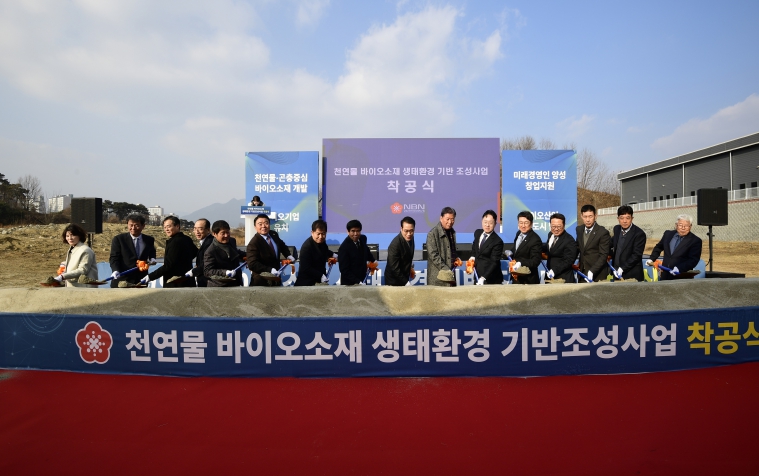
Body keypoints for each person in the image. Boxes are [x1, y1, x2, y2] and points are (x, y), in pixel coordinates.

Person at [142, 216, 197, 288]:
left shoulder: (175, 242)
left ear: (177, 226)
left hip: (175, 283)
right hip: (187, 281)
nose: (166, 229)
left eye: (169, 226)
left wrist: (150, 277)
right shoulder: (187, 238)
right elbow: (195, 253)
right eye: (165, 227)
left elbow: (168, 265)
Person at [647, 214, 702, 280]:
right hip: (665, 275)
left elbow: (693, 260)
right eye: (680, 225)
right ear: (676, 225)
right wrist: (652, 258)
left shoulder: (695, 240)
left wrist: (679, 268)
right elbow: (658, 247)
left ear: (690, 227)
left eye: (686, 226)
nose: (683, 228)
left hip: (682, 276)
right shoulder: (668, 234)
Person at [246, 214, 295, 286]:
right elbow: (252, 264)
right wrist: (270, 270)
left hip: (276, 279)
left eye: (266, 223)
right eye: (260, 224)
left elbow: (282, 245)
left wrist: (288, 255)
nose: (263, 226)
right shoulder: (253, 243)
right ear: (255, 227)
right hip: (261, 282)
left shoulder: (273, 234)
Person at [109, 214, 156, 287]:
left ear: (143, 226)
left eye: (136, 225)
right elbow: (114, 258)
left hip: (140, 280)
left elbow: (152, 251)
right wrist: (115, 270)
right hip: (122, 280)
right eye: (131, 225)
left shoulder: (149, 240)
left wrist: (152, 258)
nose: (133, 228)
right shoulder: (119, 239)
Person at [610, 205, 646, 281]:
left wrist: (622, 268)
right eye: (622, 218)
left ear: (632, 218)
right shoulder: (617, 229)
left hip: (632, 275)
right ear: (618, 219)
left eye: (627, 218)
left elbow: (636, 255)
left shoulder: (639, 234)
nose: (624, 221)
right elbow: (613, 243)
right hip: (616, 272)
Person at [575, 205, 611, 282]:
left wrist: (592, 271)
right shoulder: (579, 229)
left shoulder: (603, 232)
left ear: (595, 216)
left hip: (598, 274)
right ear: (581, 216)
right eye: (585, 216)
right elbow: (578, 247)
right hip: (582, 273)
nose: (587, 220)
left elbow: (603, 255)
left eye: (590, 216)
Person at [204, 220, 244, 287]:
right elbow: (207, 271)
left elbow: (236, 252)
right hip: (219, 286)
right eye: (223, 233)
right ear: (214, 234)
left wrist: (249, 256)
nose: (226, 235)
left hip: (236, 283)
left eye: (227, 232)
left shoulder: (232, 241)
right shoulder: (210, 251)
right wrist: (225, 272)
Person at [295, 220, 334, 286]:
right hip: (306, 284)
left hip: (318, 281)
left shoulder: (322, 243)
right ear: (312, 232)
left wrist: (333, 255)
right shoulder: (306, 247)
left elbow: (324, 250)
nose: (321, 237)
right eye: (318, 234)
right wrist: (321, 276)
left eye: (323, 234)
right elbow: (306, 268)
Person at [507, 211, 542, 284]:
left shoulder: (535, 239)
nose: (523, 225)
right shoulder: (518, 233)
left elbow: (535, 261)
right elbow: (518, 249)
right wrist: (510, 252)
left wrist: (520, 263)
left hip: (528, 280)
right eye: (521, 222)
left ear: (531, 224)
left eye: (526, 223)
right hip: (517, 278)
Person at [426, 207, 458, 286]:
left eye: (452, 219)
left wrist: (456, 259)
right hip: (437, 279)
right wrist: (446, 269)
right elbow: (433, 255)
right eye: (447, 219)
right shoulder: (432, 234)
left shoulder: (452, 233)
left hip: (450, 277)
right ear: (441, 218)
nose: (450, 222)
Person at [470, 210, 504, 285]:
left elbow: (494, 262)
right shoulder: (477, 233)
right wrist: (472, 256)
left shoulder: (497, 241)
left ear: (495, 224)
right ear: (481, 221)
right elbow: (475, 247)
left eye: (490, 223)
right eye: (485, 222)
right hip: (477, 275)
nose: (487, 225)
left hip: (491, 279)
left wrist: (483, 277)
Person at [338, 219, 376, 285]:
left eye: (358, 231)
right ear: (348, 231)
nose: (355, 234)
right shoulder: (344, 248)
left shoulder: (363, 239)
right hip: (350, 284)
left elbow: (366, 251)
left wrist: (373, 261)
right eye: (353, 231)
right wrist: (358, 282)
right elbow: (344, 270)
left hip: (363, 279)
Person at [543, 213, 579, 282]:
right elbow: (549, 248)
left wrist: (554, 270)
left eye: (559, 226)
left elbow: (568, 260)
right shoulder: (550, 234)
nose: (556, 229)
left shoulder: (569, 240)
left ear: (564, 225)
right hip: (550, 277)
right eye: (553, 226)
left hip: (563, 278)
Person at [385, 216, 416, 286]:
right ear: (401, 229)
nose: (409, 234)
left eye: (411, 231)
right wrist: (406, 282)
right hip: (393, 281)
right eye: (406, 231)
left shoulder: (411, 238)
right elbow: (394, 268)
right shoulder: (395, 244)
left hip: (404, 276)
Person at [186, 218, 213, 287]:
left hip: (208, 282)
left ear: (208, 230)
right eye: (195, 229)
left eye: (200, 229)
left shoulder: (210, 243)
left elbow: (207, 263)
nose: (197, 232)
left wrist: (193, 271)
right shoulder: (205, 242)